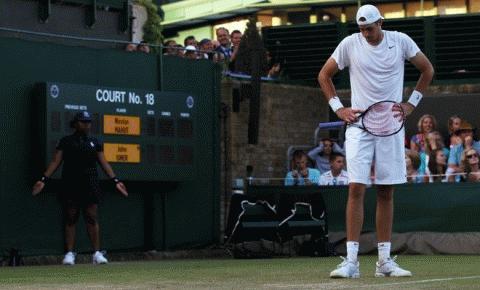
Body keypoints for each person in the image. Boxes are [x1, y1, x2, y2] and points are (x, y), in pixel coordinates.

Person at [318, 4, 434, 278]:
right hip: (359, 128)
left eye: (369, 28)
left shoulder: (401, 41)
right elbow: (324, 75)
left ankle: (384, 262)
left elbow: (427, 69)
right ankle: (351, 263)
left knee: (386, 191)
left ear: (380, 23)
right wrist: (338, 108)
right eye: (361, 29)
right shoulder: (349, 44)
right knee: (356, 188)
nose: (366, 33)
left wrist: (410, 104)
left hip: (391, 127)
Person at [32, 111, 128, 265]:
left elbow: (104, 163)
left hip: (90, 183)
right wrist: (43, 179)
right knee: (71, 218)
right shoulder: (65, 141)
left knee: (92, 217)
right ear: (75, 124)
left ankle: (96, 254)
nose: (87, 124)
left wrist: (115, 180)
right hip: (70, 183)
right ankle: (69, 254)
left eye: (88, 122)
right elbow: (56, 162)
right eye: (83, 121)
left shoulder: (95, 142)